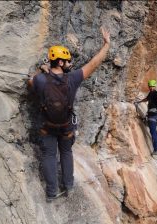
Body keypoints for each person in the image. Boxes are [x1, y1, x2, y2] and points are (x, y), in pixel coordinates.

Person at [27, 27, 111, 202]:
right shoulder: (73, 78)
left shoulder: (41, 79)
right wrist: (106, 44)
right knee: (66, 152)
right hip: (66, 126)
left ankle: (51, 193)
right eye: (67, 61)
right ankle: (69, 185)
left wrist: (42, 70)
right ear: (59, 62)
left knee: (49, 155)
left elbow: (30, 83)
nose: (69, 63)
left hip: (47, 127)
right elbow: (95, 63)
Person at [135, 80, 157, 155]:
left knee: (152, 132)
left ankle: (156, 149)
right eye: (150, 86)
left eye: (152, 86)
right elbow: (147, 99)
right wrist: (139, 101)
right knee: (154, 130)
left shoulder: (155, 93)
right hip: (154, 114)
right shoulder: (151, 93)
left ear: (155, 86)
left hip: (153, 115)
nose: (151, 88)